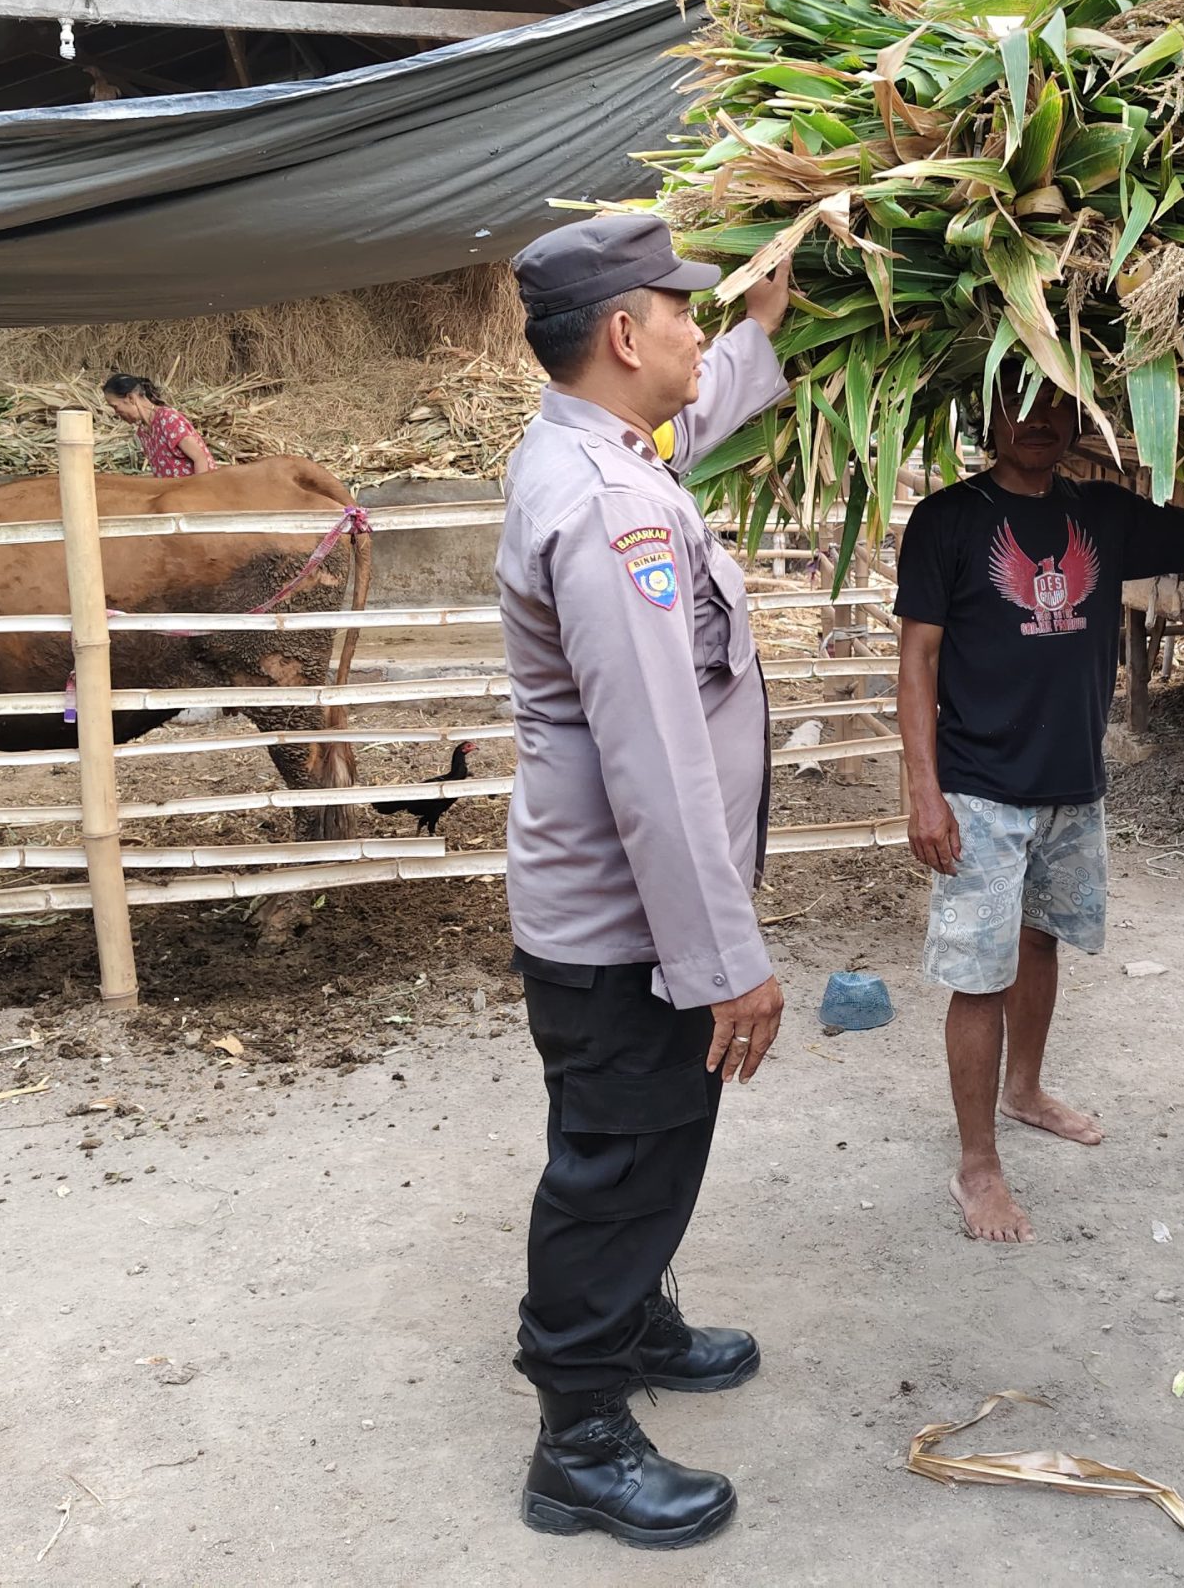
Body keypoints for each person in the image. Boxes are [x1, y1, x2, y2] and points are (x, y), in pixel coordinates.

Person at [496, 213, 792, 1550]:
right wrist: (727, 961)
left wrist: (757, 334)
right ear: (623, 334)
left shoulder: (598, 448)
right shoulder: (612, 511)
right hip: (628, 931)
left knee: (656, 1138)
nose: (692, 327)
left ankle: (636, 1316)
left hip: (622, 923)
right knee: (616, 1164)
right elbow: (659, 764)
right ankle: (580, 1434)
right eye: (679, 310)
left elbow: (687, 419)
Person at [895, 376, 1184, 1243]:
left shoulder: (1101, 515)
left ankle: (1025, 1091)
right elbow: (918, 661)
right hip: (978, 788)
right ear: (989, 414)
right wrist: (923, 791)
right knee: (979, 976)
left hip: (1071, 785)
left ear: (1081, 418)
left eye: (1057, 404)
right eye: (1019, 402)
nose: (1038, 421)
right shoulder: (948, 521)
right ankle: (977, 1165)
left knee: (1040, 940)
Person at [101, 374, 215, 477]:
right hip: (173, 495)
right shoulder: (143, 432)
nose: (116, 412)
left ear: (131, 398)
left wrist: (196, 495)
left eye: (115, 406)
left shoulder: (168, 420)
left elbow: (200, 458)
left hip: (195, 492)